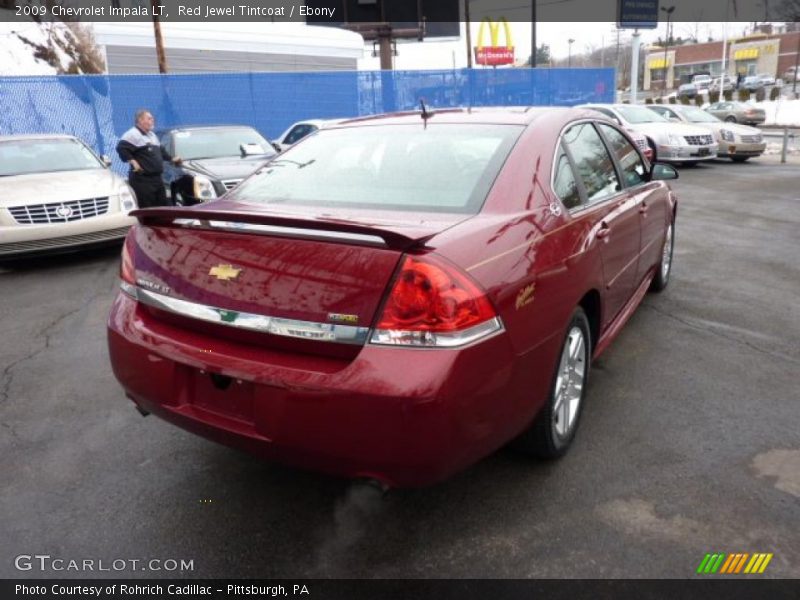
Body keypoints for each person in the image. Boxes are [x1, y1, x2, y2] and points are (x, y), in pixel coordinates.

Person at [116, 109, 181, 208]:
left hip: (157, 179)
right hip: (143, 180)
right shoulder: (132, 134)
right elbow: (121, 148)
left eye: (152, 118)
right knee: (148, 209)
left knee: (162, 207)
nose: (152, 120)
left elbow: (161, 151)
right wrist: (133, 161)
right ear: (140, 120)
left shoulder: (152, 135)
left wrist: (172, 159)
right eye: (149, 118)